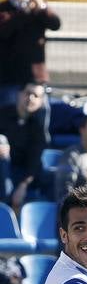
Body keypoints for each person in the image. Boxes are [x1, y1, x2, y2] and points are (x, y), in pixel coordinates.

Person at [0, 0, 61, 107]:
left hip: (35, 78)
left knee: (39, 123)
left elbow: (55, 24)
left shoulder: (39, 8)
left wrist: (40, 5)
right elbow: (4, 31)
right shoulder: (3, 9)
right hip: (9, 78)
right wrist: (26, 9)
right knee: (9, 122)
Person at [0, 82, 49, 211]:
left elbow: (34, 160)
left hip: (22, 175)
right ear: (19, 94)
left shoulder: (38, 128)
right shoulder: (3, 114)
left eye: (36, 96)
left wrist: (23, 186)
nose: (31, 98)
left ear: (41, 101)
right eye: (28, 93)